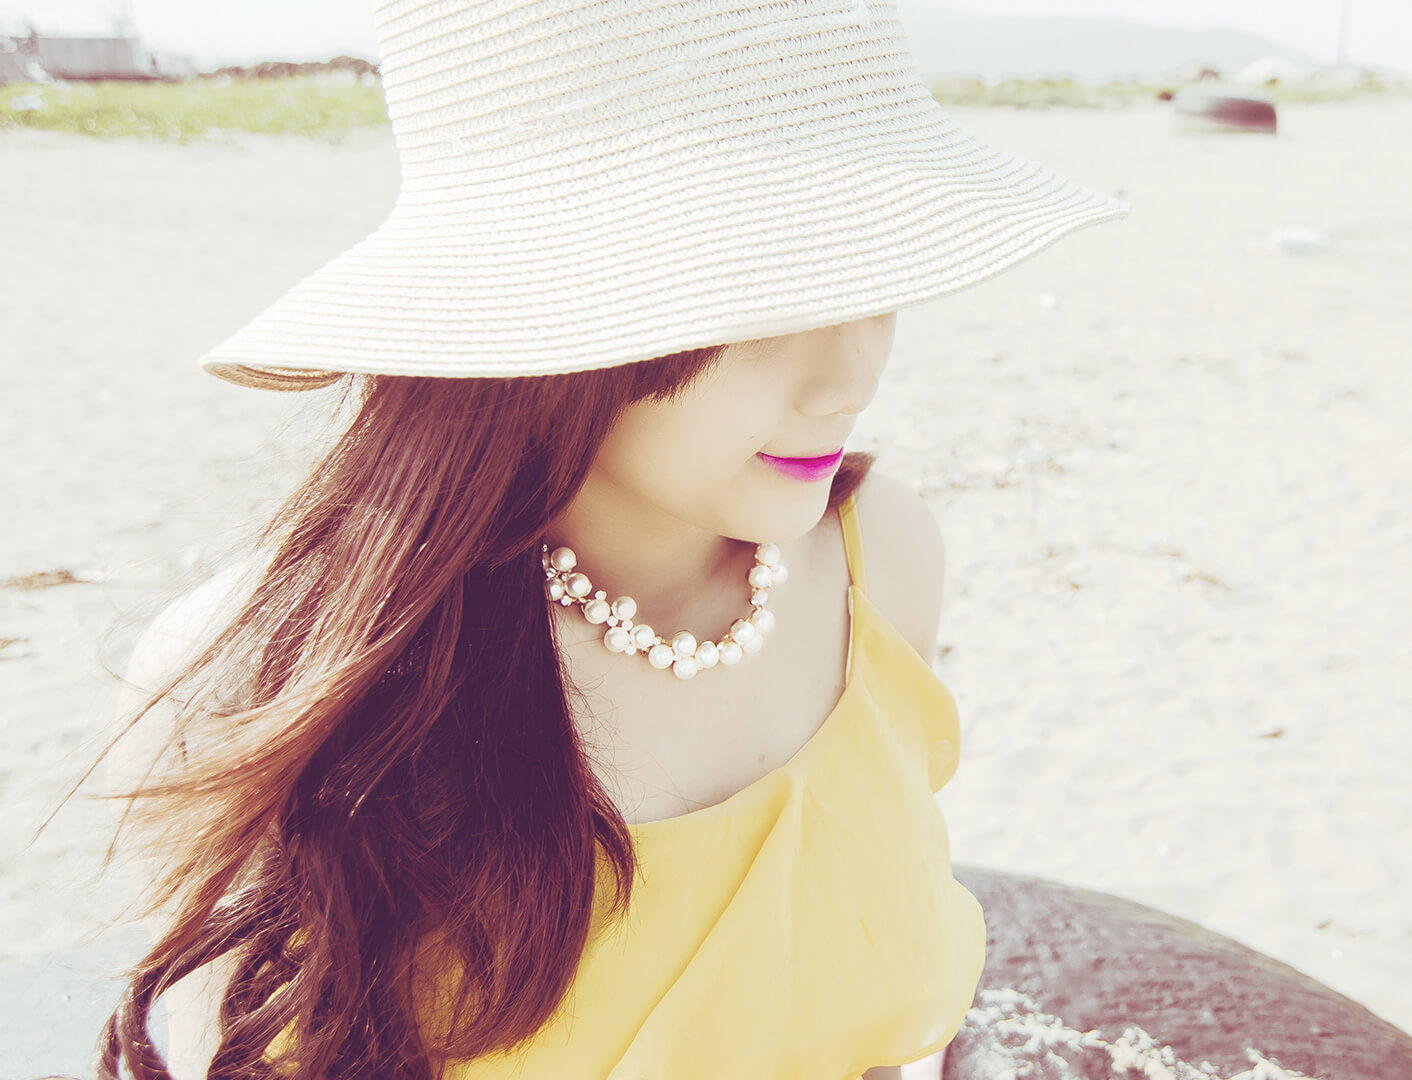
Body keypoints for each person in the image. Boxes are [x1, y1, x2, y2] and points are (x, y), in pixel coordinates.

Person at [88, 2, 1127, 1078]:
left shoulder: (881, 560)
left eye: (876, 276)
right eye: (767, 303)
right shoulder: (264, 687)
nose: (848, 381)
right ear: (543, 314)